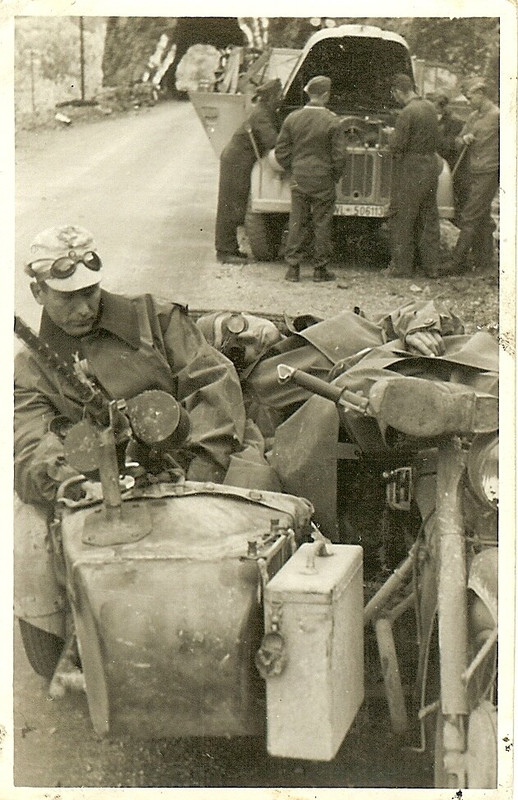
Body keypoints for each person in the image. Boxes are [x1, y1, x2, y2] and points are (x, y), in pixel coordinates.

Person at [14, 225, 268, 508]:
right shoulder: (31, 369)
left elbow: (212, 384)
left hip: (203, 465)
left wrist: (199, 475)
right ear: (38, 292)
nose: (84, 309)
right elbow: (30, 446)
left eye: (89, 292)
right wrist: (75, 485)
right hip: (102, 495)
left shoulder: (154, 317)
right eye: (67, 297)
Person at [196, 298, 497, 437]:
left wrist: (420, 325)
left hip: (458, 363)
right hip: (398, 402)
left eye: (236, 325)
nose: (250, 336)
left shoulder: (313, 325)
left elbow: (405, 313)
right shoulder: (262, 390)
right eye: (237, 348)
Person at [274, 75, 344, 283]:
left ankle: (293, 269)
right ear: (325, 95)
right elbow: (340, 156)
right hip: (323, 178)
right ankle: (320, 270)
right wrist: (334, 175)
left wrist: (294, 167)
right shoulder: (333, 121)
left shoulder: (292, 118)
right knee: (322, 222)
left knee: (297, 220)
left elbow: (281, 151)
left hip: (300, 176)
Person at [215, 78, 282, 264]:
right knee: (230, 205)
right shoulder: (262, 115)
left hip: (240, 160)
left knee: (236, 204)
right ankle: (224, 251)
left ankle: (230, 249)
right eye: (279, 95)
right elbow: (273, 141)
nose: (281, 98)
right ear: (271, 97)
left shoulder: (265, 111)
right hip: (236, 161)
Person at [385, 73, 441, 278]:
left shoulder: (407, 112)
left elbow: (397, 145)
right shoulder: (430, 107)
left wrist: (390, 135)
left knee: (403, 217)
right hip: (431, 165)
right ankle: (432, 267)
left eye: (394, 94)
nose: (395, 98)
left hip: (412, 168)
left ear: (398, 91)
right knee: (429, 217)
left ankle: (401, 268)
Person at [445, 78, 499, 274]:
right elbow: (458, 141)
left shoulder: (498, 116)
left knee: (470, 215)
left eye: (470, 98)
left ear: (480, 94)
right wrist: (464, 139)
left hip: (489, 172)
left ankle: (456, 262)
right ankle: (484, 260)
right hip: (472, 171)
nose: (468, 102)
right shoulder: (474, 116)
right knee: (482, 216)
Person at [428, 92, 469, 222]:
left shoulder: (455, 121)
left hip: (451, 163)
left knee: (454, 199)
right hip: (439, 160)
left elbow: (451, 144)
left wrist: (433, 140)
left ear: (440, 106)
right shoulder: (436, 118)